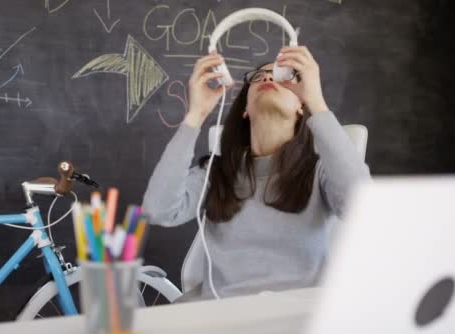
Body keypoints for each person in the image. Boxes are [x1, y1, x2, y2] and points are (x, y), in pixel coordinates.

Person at [142, 47, 371, 301]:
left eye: (281, 77)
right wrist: (196, 115)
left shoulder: (320, 171)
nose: (267, 78)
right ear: (245, 110)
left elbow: (362, 206)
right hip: (220, 311)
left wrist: (317, 104)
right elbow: (158, 210)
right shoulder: (217, 172)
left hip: (294, 317)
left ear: (300, 105)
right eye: (258, 77)